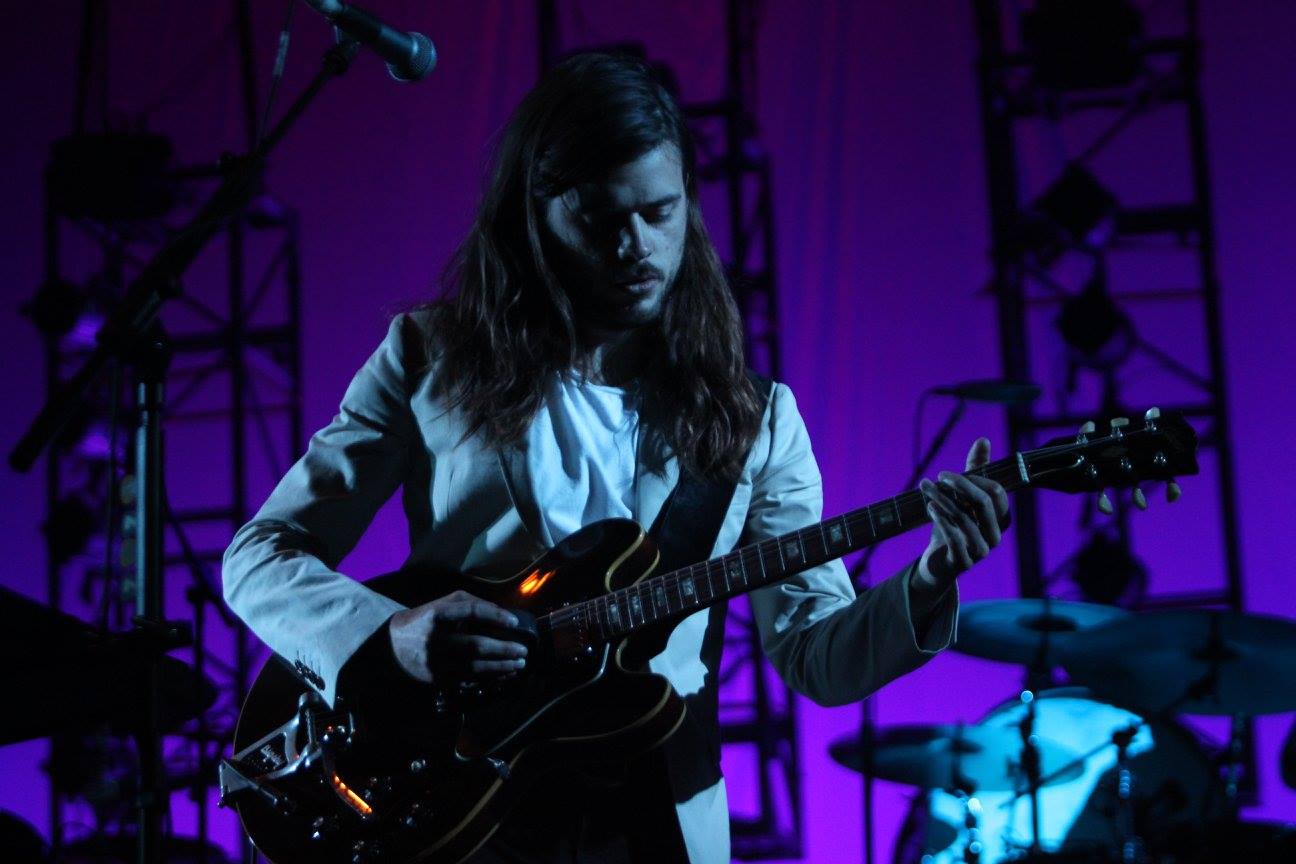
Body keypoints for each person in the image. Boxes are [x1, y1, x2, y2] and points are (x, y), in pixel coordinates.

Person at [222, 52, 1008, 863]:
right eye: (601, 221)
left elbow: (816, 656)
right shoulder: (431, 359)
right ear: (535, 218)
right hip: (463, 807)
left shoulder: (754, 419)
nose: (637, 246)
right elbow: (259, 555)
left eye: (660, 213)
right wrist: (387, 637)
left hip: (659, 817)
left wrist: (928, 580)